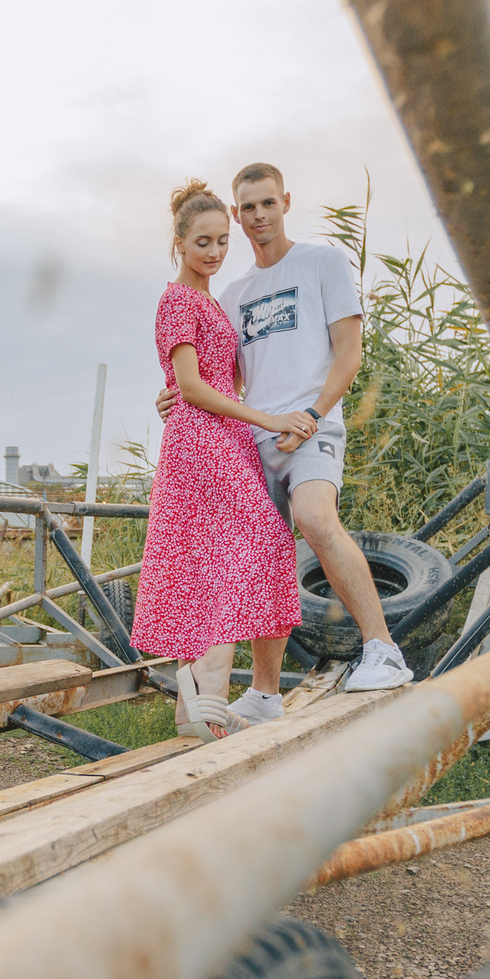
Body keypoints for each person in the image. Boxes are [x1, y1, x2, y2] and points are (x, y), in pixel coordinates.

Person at [159, 161, 414, 719]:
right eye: (246, 207)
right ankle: (264, 695)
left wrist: (310, 414)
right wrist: (175, 395)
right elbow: (222, 376)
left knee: (316, 518)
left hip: (311, 428)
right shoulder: (233, 293)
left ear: (286, 202)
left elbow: (349, 354)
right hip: (250, 440)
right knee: (262, 557)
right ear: (235, 213)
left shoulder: (321, 262)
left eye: (267, 203)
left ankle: (384, 651)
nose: (257, 216)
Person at [128, 179, 307, 740]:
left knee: (225, 557)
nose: (214, 252)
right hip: (203, 441)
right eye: (202, 241)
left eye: (222, 242)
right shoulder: (179, 299)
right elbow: (190, 385)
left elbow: (214, 378)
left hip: (222, 438)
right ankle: (206, 699)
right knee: (243, 549)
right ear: (179, 242)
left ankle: (196, 709)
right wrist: (268, 418)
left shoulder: (210, 301)